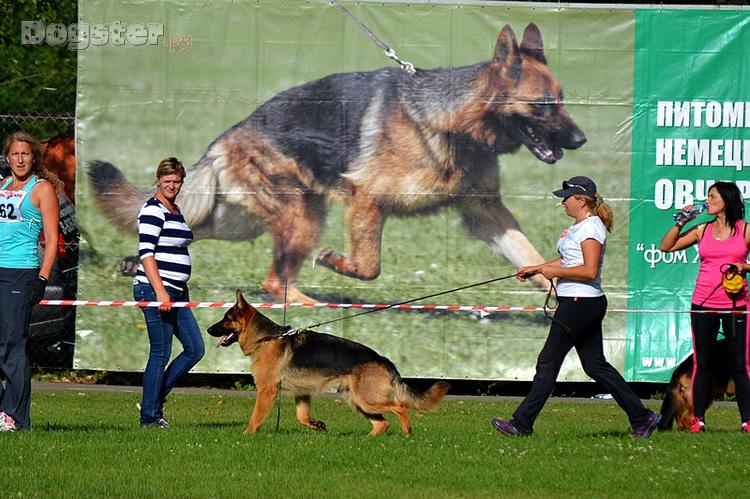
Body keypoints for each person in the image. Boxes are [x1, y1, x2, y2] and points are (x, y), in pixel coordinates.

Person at [491, 176, 661, 438]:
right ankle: (642, 417)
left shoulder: (591, 228)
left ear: (581, 200)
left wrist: (554, 272)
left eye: (567, 198)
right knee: (595, 365)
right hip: (582, 302)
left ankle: (522, 424)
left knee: (548, 362)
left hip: (579, 303)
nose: (563, 203)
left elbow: (589, 270)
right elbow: (569, 260)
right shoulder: (580, 227)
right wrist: (537, 268)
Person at [659, 181, 750, 433]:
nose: (707, 201)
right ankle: (698, 420)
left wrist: (745, 267)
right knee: (703, 364)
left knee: (740, 365)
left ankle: (747, 421)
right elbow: (666, 247)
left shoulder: (745, 230)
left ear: (726, 201)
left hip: (736, 304)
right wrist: (680, 223)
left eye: (712, 197)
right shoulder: (702, 229)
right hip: (703, 303)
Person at [134, 157, 204, 428]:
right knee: (160, 352)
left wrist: (181, 287)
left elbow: (175, 249)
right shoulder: (153, 210)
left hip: (176, 292)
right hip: (155, 290)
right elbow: (146, 254)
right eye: (167, 181)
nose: (172, 186)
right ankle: (149, 417)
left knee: (194, 349)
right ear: (158, 180)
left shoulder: (175, 209)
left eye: (177, 181)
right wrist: (160, 291)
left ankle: (152, 401)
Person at [0, 131, 61, 431]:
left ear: (34, 158)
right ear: (7, 157)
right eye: (15, 154)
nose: (20, 159)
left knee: (12, 344)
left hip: (21, 272)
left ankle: (15, 417)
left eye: (25, 154)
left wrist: (42, 277)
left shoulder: (42, 189)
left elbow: (52, 239)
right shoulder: (2, 186)